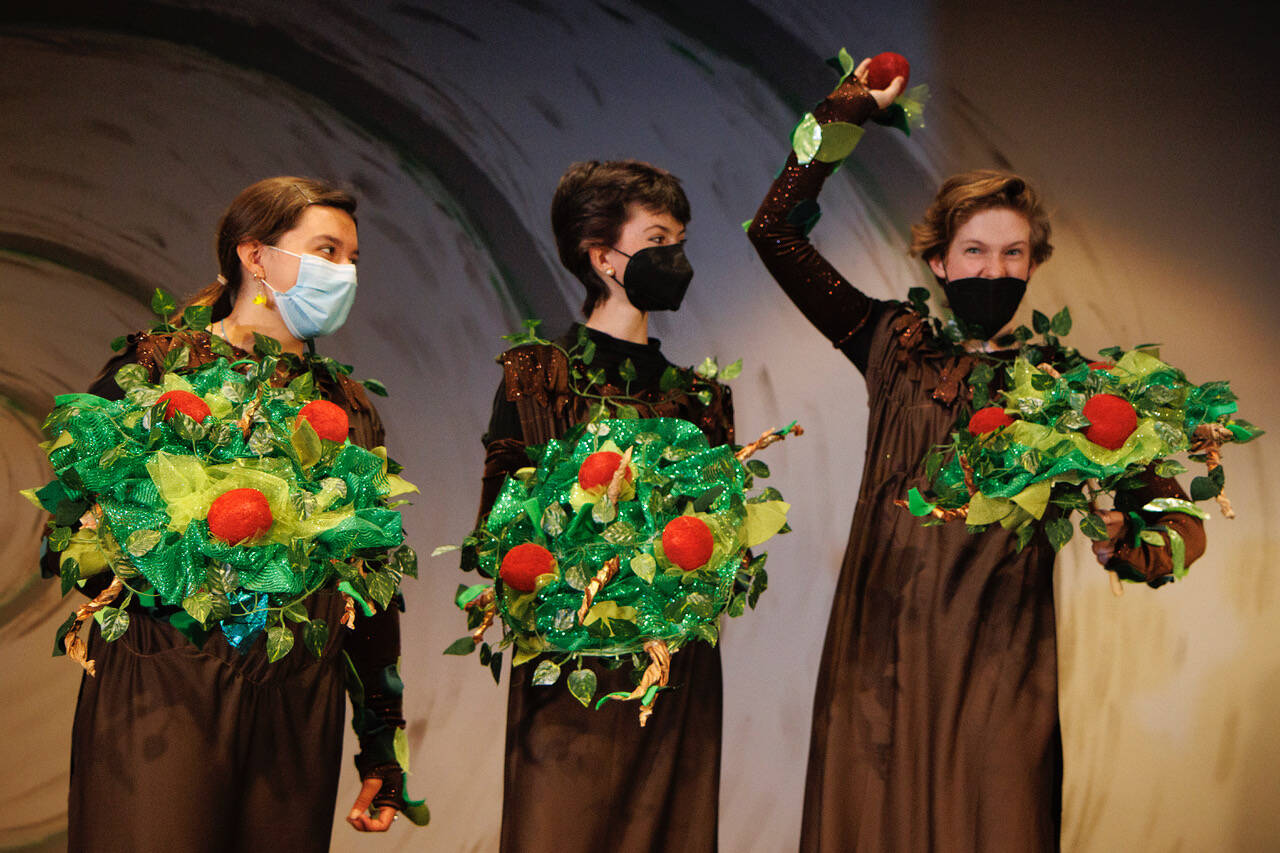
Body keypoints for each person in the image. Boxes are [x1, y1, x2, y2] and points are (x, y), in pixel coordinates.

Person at [746, 62, 1206, 851]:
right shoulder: (891, 343)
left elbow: (1169, 522)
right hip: (882, 653)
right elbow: (775, 230)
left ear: (1034, 264)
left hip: (1002, 658)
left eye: (1014, 255)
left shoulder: (1067, 389)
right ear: (938, 261)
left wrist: (1127, 541)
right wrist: (849, 105)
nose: (994, 271)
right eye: (975, 251)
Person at [49, 177, 415, 851]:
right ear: (255, 255)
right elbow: (73, 517)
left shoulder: (350, 409)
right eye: (327, 250)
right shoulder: (158, 367)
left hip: (296, 690)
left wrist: (380, 745)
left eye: (353, 259)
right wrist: (166, 574)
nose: (344, 273)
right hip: (167, 676)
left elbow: (372, 579)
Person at [478, 160, 733, 852]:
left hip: (671, 669)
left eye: (679, 238)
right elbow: (496, 536)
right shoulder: (537, 376)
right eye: (657, 237)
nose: (674, 256)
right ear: (603, 256)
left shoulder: (702, 399)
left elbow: (721, 537)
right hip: (572, 664)